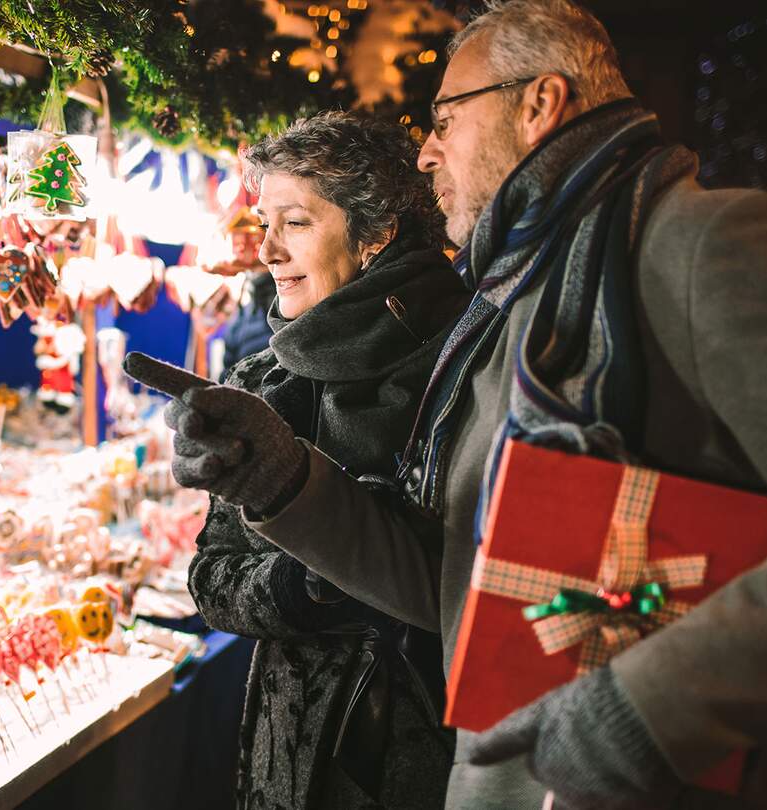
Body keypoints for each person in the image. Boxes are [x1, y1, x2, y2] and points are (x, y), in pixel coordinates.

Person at [125, 1, 767, 809]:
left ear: (540, 103)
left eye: (446, 117)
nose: (425, 154)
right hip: (506, 776)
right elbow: (451, 581)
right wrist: (285, 482)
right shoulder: (511, 305)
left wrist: (636, 715)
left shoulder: (711, 243)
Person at [182, 111, 468, 809]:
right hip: (289, 752)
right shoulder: (258, 381)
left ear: (374, 235)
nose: (269, 251)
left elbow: (469, 577)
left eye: (297, 224)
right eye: (265, 224)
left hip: (429, 752)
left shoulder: (466, 361)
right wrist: (302, 589)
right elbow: (211, 579)